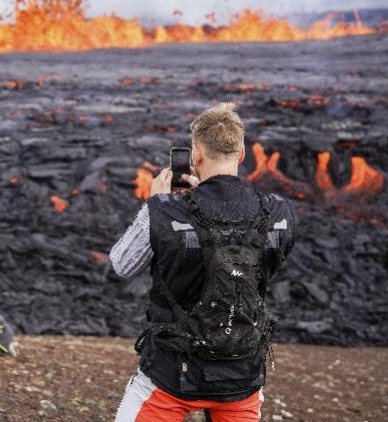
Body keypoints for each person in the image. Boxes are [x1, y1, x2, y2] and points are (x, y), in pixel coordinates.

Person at [110, 103, 296, 422]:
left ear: (195, 155)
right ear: (240, 155)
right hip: (242, 376)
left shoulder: (167, 211)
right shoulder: (279, 212)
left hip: (172, 376)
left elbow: (121, 265)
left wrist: (155, 206)